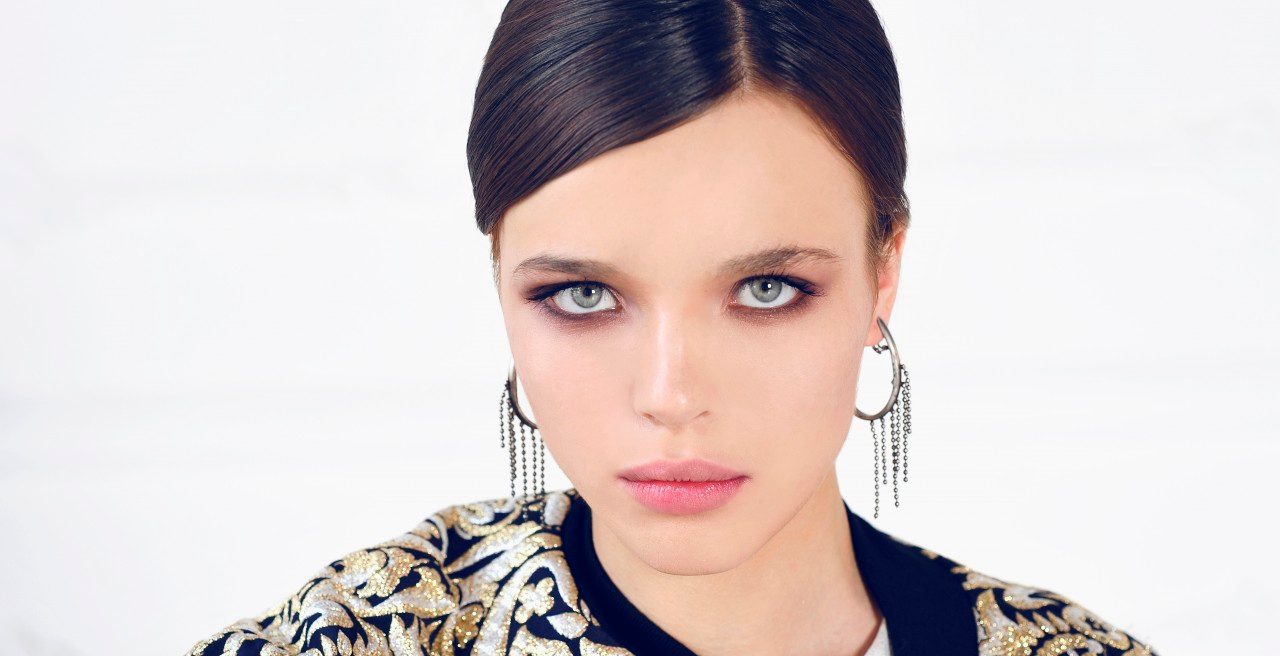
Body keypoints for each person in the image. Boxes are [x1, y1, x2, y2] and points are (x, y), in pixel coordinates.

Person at [186, 1, 1159, 654]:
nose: (669, 392)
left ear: (882, 272)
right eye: (580, 295)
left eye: (767, 288)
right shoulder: (367, 636)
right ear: (499, 287)